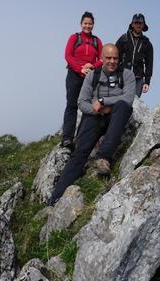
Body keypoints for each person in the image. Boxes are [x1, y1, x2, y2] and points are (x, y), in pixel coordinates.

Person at [49, 43, 136, 205]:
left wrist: (103, 101)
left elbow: (128, 98)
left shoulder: (127, 75)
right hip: (94, 116)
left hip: (115, 116)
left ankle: (103, 158)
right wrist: (98, 110)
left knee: (123, 107)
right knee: (80, 153)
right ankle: (55, 197)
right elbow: (81, 102)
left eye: (115, 58)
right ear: (101, 58)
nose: (112, 61)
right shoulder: (92, 76)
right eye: (108, 58)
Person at [61, 12, 103, 148]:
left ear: (93, 25)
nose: (87, 26)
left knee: (89, 107)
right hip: (74, 74)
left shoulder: (97, 41)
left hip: (90, 77)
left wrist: (92, 66)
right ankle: (67, 138)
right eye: (85, 23)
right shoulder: (74, 37)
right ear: (81, 24)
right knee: (72, 105)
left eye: (90, 24)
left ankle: (86, 137)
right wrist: (80, 69)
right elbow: (68, 56)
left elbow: (102, 58)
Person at [115, 13, 154, 97]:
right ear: (132, 24)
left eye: (140, 23)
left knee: (134, 105)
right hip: (122, 77)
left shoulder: (147, 44)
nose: (138, 25)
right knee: (118, 102)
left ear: (143, 25)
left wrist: (147, 82)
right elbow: (114, 57)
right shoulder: (123, 39)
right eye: (136, 23)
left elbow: (149, 64)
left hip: (138, 79)